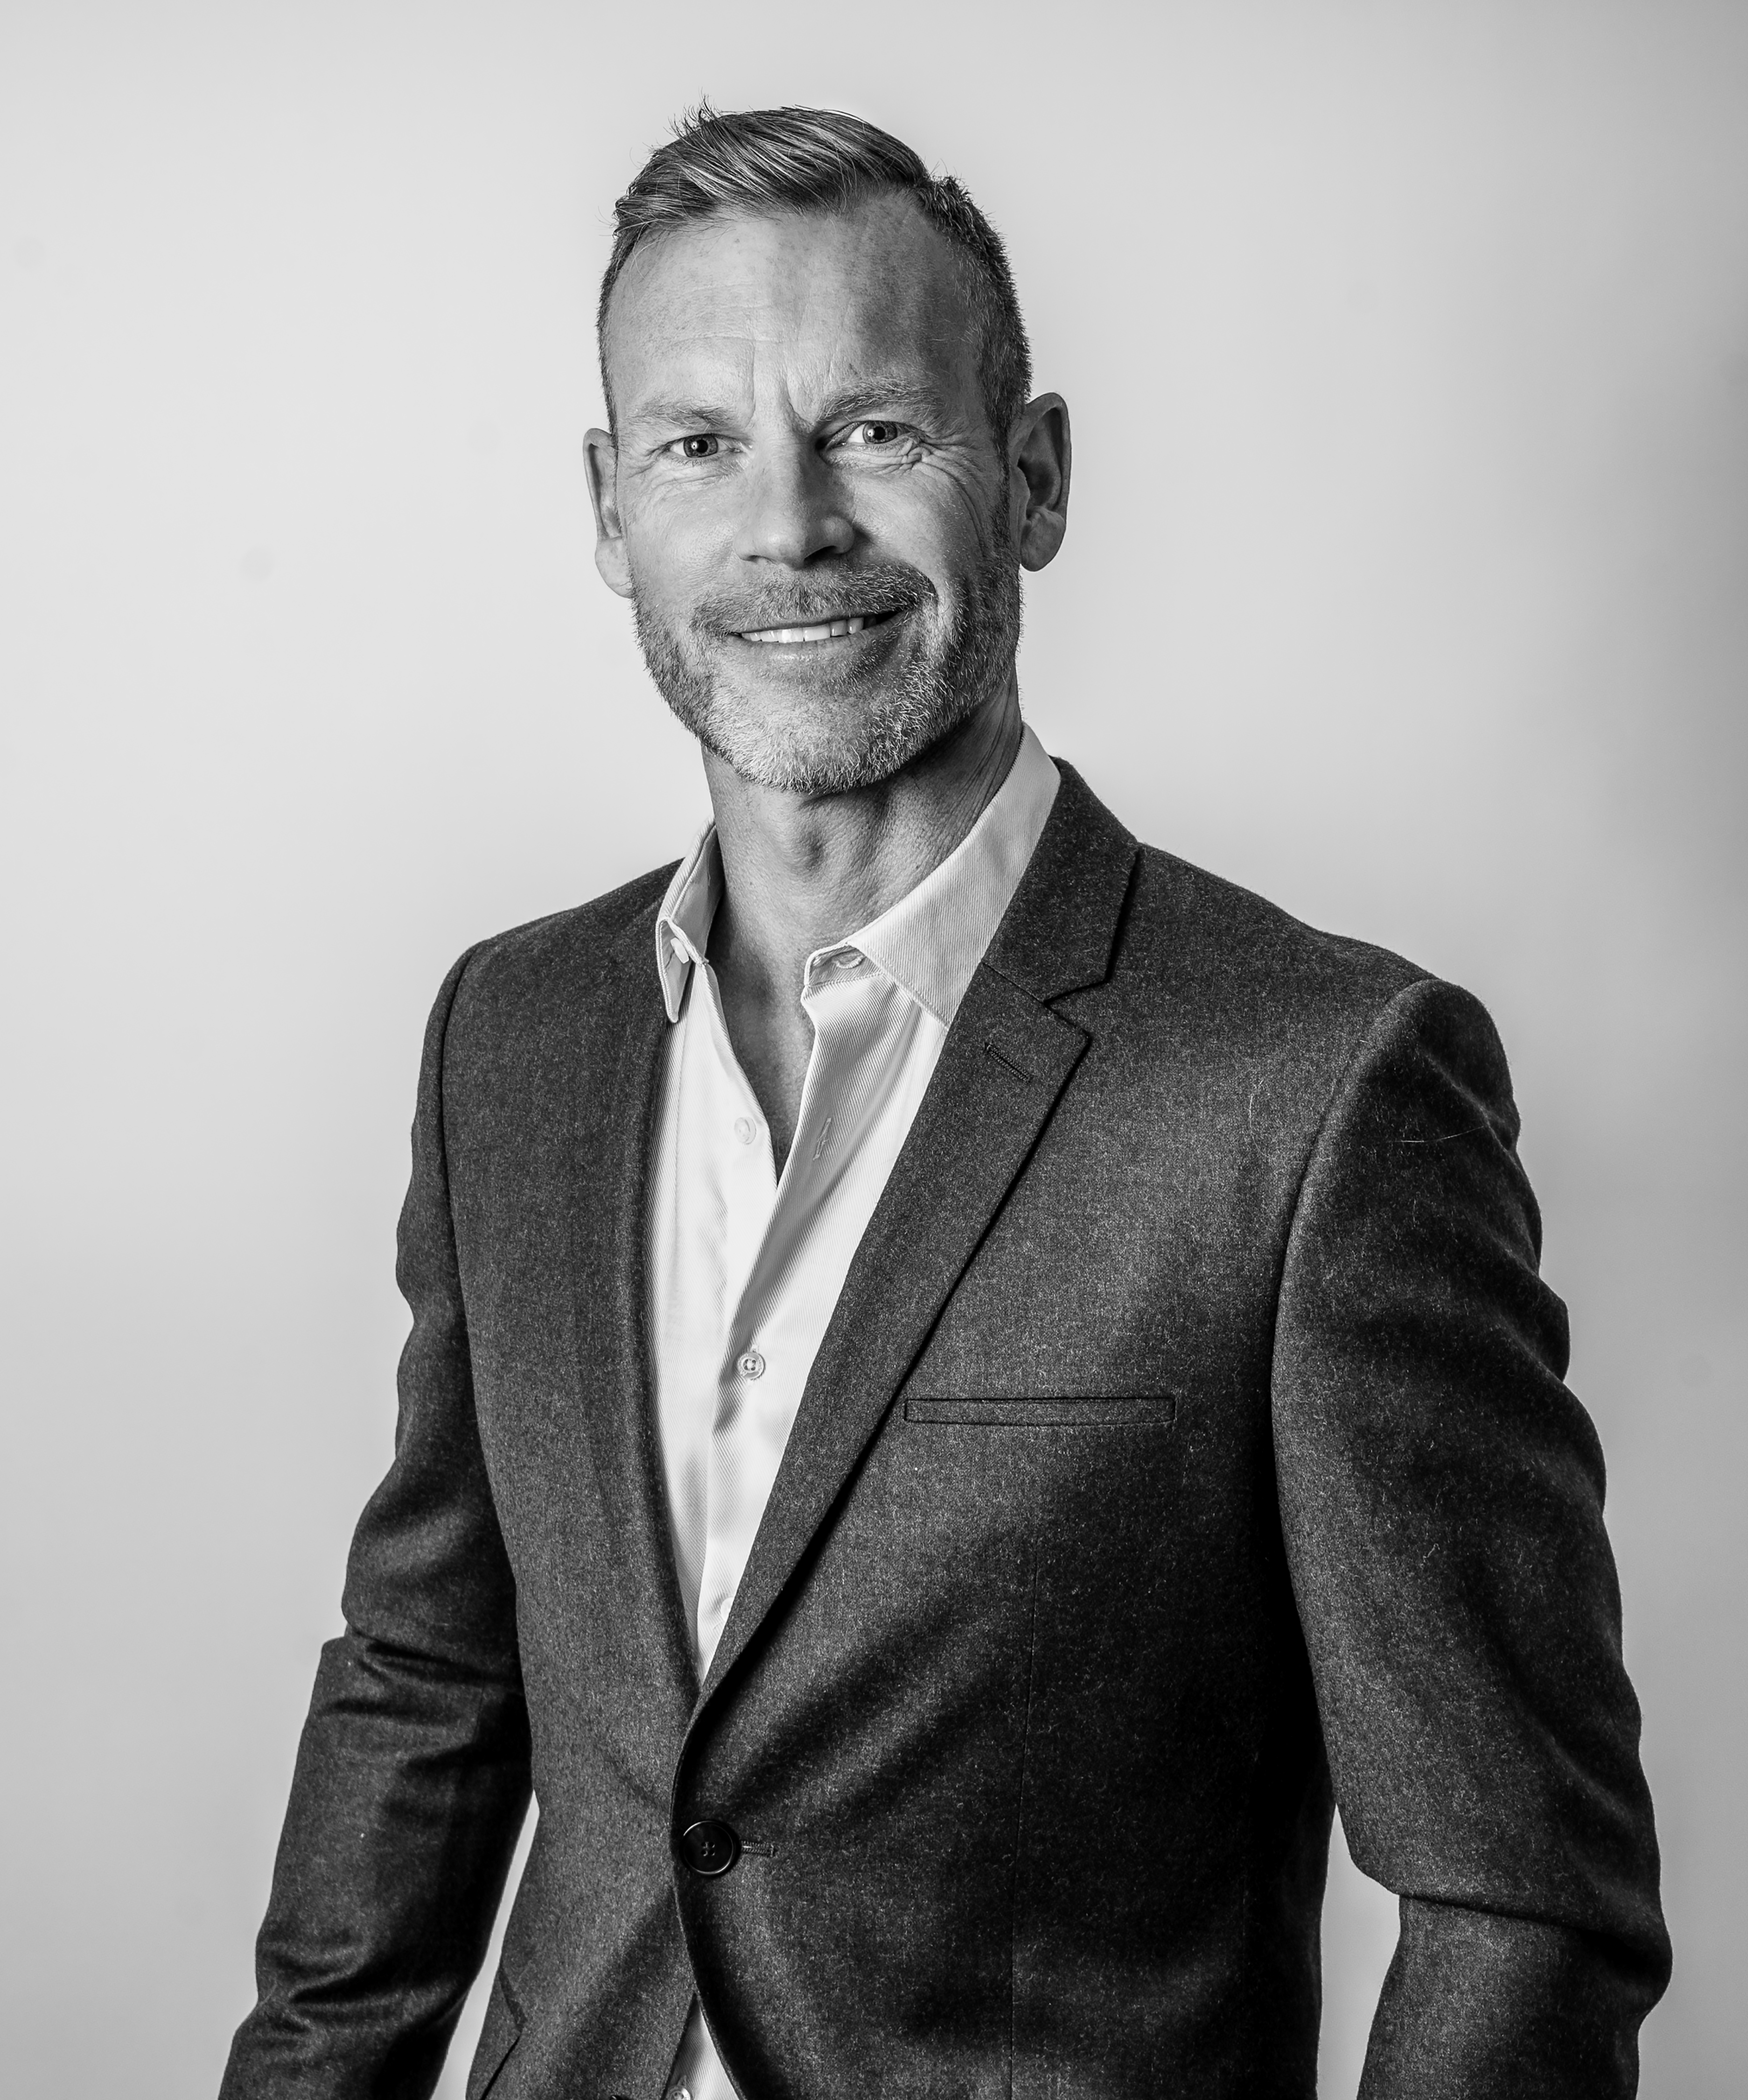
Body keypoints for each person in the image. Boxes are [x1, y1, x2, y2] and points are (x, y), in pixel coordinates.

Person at [219, 105, 1670, 2100]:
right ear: (607, 506)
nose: (788, 526)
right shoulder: (513, 1036)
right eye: (696, 444)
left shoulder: (1314, 1089)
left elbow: (1521, 1901)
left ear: (1034, 476)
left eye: (876, 430)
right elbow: (427, 1686)